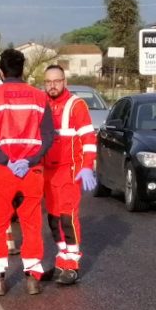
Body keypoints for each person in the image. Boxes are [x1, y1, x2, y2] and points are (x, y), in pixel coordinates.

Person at [0, 50, 54, 295]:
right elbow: (48, 137)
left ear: (0, 72)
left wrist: (5, 160)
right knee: (31, 223)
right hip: (31, 170)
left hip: (0, 170)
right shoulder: (40, 98)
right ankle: (32, 278)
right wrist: (29, 159)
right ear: (23, 70)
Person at [40, 65, 97, 285]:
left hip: (69, 171)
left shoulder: (76, 105)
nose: (52, 85)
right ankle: (61, 260)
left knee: (67, 217)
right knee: (53, 218)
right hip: (48, 172)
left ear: (64, 82)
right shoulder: (43, 104)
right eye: (48, 81)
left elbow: (88, 138)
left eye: (56, 81)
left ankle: (72, 265)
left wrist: (87, 166)